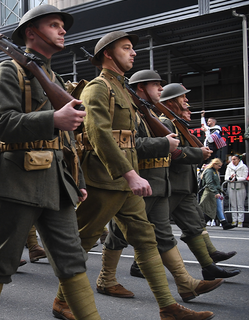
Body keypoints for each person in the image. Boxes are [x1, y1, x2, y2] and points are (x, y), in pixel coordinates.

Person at [74, 31, 214, 319]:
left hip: (127, 180)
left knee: (146, 238)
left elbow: (128, 138)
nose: (133, 53)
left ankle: (168, 307)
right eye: (126, 48)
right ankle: (64, 300)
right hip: (105, 178)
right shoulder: (98, 88)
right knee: (84, 240)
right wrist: (129, 173)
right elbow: (98, 134)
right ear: (108, 55)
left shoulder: (122, 89)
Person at [0, 6, 100, 320]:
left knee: (72, 260)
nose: (62, 30)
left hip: (57, 185)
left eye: (62, 25)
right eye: (54, 25)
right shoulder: (9, 70)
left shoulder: (52, 76)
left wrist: (77, 180)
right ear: (31, 33)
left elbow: (68, 139)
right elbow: (3, 125)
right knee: (2, 260)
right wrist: (54, 118)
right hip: (18, 181)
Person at [98, 69, 223, 302]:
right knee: (118, 234)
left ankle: (186, 285)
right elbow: (129, 143)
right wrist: (164, 144)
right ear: (141, 88)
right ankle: (106, 279)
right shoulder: (134, 114)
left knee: (164, 236)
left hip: (160, 183)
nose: (161, 90)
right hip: (141, 181)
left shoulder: (151, 114)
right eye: (156, 85)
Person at [159, 83, 240, 280]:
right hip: (171, 185)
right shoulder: (164, 123)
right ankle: (138, 264)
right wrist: (198, 153)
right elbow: (168, 153)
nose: (187, 101)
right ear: (170, 101)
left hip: (183, 186)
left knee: (195, 226)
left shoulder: (176, 123)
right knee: (155, 230)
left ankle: (208, 265)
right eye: (182, 98)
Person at [199, 158, 235, 230]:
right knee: (211, 209)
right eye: (219, 166)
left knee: (218, 208)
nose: (220, 167)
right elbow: (209, 183)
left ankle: (224, 223)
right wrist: (216, 192)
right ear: (214, 164)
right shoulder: (209, 171)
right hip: (210, 192)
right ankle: (201, 224)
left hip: (213, 192)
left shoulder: (214, 171)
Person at [225, 154, 247, 227]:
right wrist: (230, 178)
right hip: (231, 187)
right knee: (233, 204)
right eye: (232, 159)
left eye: (234, 159)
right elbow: (226, 176)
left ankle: (240, 221)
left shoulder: (243, 167)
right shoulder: (229, 166)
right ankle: (234, 220)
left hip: (240, 187)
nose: (233, 161)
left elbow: (244, 176)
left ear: (238, 160)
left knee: (240, 204)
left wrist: (237, 179)